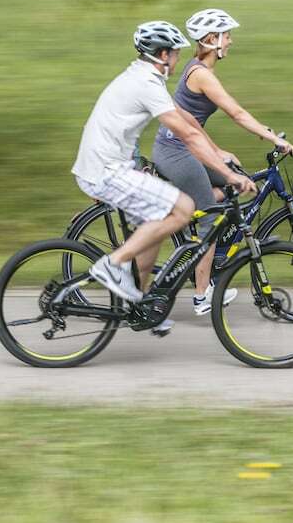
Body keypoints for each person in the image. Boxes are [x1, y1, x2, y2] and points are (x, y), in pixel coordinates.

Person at [72, 20, 256, 335]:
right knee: (182, 207)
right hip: (107, 169)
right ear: (162, 54)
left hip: (108, 165)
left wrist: (217, 152)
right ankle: (113, 265)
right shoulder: (146, 82)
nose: (178, 58)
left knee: (155, 222)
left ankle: (142, 306)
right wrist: (228, 174)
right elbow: (187, 134)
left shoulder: (144, 77)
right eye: (175, 52)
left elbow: (186, 119)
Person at [152, 9, 293, 316]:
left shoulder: (196, 69)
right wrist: (273, 138)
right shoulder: (201, 74)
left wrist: (217, 151)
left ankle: (198, 227)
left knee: (238, 183)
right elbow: (237, 113)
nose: (230, 41)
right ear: (211, 39)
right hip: (177, 153)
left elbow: (190, 120)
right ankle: (202, 295)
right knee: (211, 217)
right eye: (226, 35)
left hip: (184, 147)